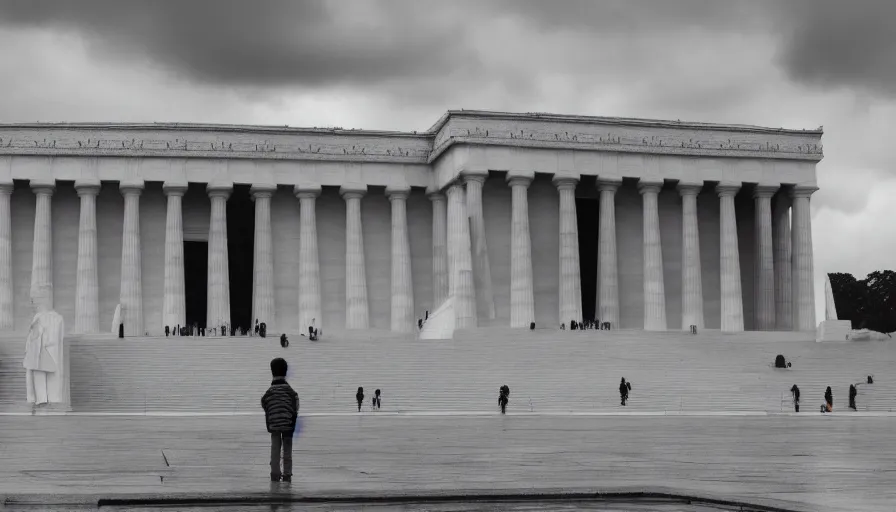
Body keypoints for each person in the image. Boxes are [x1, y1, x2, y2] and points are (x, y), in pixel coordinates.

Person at [261, 357, 299, 483]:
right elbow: (295, 404)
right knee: (287, 450)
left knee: (275, 448)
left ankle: (275, 473)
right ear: (286, 372)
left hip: (274, 424)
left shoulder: (270, 391)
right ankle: (287, 474)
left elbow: (264, 402)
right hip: (288, 424)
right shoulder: (289, 391)